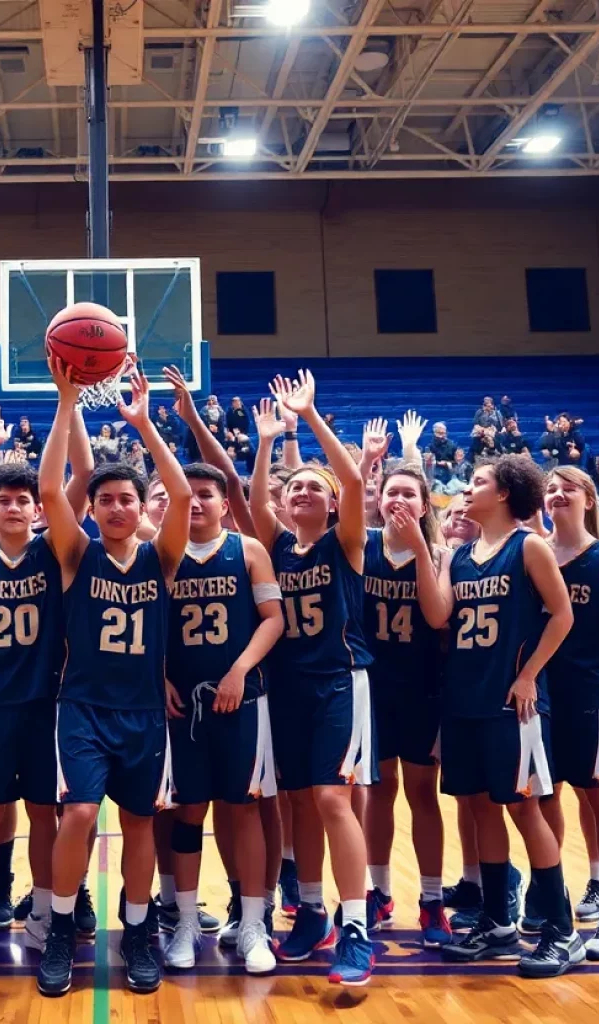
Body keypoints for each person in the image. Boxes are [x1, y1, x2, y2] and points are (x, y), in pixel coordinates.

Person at [35, 356, 190, 997]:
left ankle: (137, 929)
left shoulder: (163, 556)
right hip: (83, 707)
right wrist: (66, 403)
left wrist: (145, 425)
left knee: (139, 823)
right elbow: (50, 490)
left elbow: (179, 494)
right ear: (93, 509)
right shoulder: (77, 554)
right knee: (76, 815)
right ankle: (61, 929)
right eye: (106, 499)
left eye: (128, 498)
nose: (118, 506)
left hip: (145, 712)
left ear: (138, 507)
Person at [249, 370, 376, 987]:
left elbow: (351, 478)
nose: (301, 492)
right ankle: (313, 911)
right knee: (300, 800)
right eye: (292, 487)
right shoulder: (275, 546)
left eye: (311, 488)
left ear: (329, 504)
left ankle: (356, 927)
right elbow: (253, 504)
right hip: (287, 686)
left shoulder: (345, 542)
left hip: (338, 680)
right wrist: (270, 442)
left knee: (331, 796)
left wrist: (310, 417)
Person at [0, 403, 93, 979]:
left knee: (46, 815)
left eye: (23, 501)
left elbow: (81, 478)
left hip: (46, 705)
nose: (13, 508)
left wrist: (72, 405)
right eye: (2, 501)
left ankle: (43, 912)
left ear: (38, 510)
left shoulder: (54, 550)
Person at [438, 455, 583, 977]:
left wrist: (528, 676)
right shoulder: (458, 556)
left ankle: (561, 931)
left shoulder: (529, 546)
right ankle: (498, 921)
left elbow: (562, 614)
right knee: (479, 809)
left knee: (525, 809)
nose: (467, 488)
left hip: (512, 703)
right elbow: (438, 617)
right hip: (463, 699)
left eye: (477, 482)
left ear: (503, 494)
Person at [163, 463, 283, 974]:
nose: (195, 503)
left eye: (206, 495)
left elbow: (275, 620)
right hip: (182, 707)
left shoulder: (248, 551)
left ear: (224, 504)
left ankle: (252, 921)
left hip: (241, 699)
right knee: (189, 813)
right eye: (187, 495)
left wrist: (238, 670)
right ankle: (186, 922)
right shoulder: (163, 555)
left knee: (243, 809)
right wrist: (159, 673)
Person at [361, 466, 451, 948]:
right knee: (379, 790)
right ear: (378, 498)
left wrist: (419, 548)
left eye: (408, 493)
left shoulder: (440, 555)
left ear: (424, 503)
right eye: (391, 491)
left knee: (422, 793)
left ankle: (432, 899)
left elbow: (438, 615)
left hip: (421, 689)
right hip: (371, 689)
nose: (398, 499)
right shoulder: (362, 545)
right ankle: (379, 891)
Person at [538, 467, 599, 959]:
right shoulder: (532, 554)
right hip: (541, 695)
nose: (558, 493)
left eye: (569, 487)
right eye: (551, 488)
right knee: (546, 797)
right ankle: (552, 898)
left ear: (589, 499)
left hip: (592, 691)